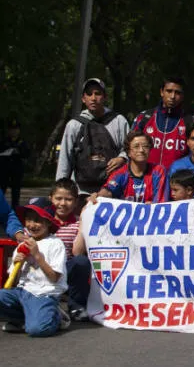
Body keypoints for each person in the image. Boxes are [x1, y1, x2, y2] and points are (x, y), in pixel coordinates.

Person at [0, 203, 68, 336]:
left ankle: (57, 317)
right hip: (22, 291)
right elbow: (14, 281)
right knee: (2, 295)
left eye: (37, 220)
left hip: (43, 294)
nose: (32, 225)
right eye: (29, 219)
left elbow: (54, 277)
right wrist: (18, 263)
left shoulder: (55, 243)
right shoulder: (22, 244)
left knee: (37, 330)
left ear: (48, 222)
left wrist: (37, 255)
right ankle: (22, 319)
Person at [55, 78, 129, 193]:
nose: (93, 98)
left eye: (97, 94)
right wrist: (59, 189)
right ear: (83, 99)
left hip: (111, 189)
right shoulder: (74, 125)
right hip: (81, 191)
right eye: (89, 94)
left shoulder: (119, 121)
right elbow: (65, 159)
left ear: (105, 97)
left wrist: (122, 158)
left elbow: (130, 149)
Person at [45, 181, 90, 322]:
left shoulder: (79, 224)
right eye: (58, 198)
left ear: (76, 202)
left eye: (68, 199)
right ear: (50, 198)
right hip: (45, 271)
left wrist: (83, 221)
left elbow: (77, 252)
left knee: (81, 261)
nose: (63, 203)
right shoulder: (41, 222)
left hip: (67, 272)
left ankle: (76, 306)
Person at [131, 76, 192, 169]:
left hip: (176, 180)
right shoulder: (144, 117)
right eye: (169, 91)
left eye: (177, 93)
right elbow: (130, 147)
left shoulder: (190, 121)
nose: (172, 96)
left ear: (182, 96)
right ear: (161, 92)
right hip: (147, 179)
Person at [97, 131, 169, 203]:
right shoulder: (119, 174)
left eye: (145, 146)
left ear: (150, 150)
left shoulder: (158, 171)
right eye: (136, 146)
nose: (141, 150)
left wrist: (153, 205)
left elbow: (161, 201)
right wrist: (98, 196)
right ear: (128, 152)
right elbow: (108, 191)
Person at [0, 119, 29, 207]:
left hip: (16, 170)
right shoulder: (3, 141)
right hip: (4, 170)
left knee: (15, 192)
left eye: (16, 129)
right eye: (12, 129)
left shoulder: (22, 142)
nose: (14, 131)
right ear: (8, 130)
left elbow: (27, 154)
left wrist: (18, 152)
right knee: (2, 190)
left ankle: (15, 210)